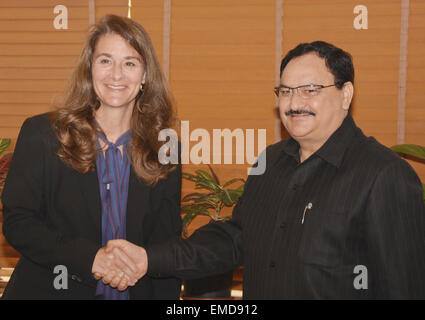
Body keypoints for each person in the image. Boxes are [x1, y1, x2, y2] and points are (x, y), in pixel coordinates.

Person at [105, 41, 425, 299]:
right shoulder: (268, 162)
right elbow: (236, 238)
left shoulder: (384, 175)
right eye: (285, 91)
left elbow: (404, 288)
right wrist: (148, 259)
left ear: (346, 94)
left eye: (309, 90)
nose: (293, 103)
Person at [1, 15, 182, 300]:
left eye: (130, 63)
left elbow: (165, 242)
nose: (117, 75)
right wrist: (91, 259)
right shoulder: (43, 134)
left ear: (146, 75)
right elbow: (19, 224)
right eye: (105, 60)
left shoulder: (165, 150)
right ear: (90, 68)